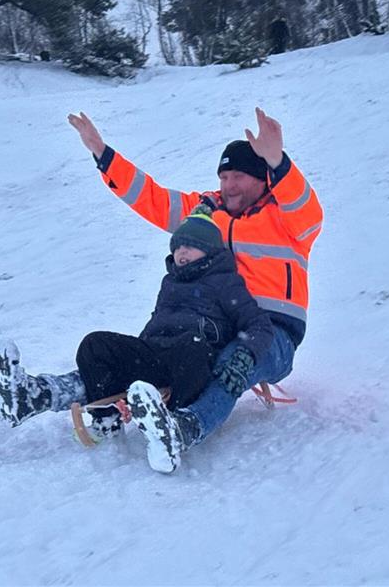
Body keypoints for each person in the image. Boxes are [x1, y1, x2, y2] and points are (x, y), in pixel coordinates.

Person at [67, 107, 323, 469]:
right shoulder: (208, 212)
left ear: (263, 179)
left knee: (235, 363)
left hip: (275, 333)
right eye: (224, 176)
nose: (228, 185)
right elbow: (153, 199)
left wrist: (278, 161)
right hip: (221, 323)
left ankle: (185, 428)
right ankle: (80, 396)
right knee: (162, 355)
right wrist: (102, 154)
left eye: (238, 177)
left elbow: (306, 207)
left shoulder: (287, 218)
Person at [0, 205, 275, 472]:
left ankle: (171, 423)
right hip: (156, 352)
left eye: (191, 247)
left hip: (193, 359)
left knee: (192, 346)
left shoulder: (226, 283)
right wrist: (128, 359)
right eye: (178, 246)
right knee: (95, 344)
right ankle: (107, 416)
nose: (181, 253)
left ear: (210, 251)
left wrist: (245, 354)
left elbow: (260, 324)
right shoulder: (171, 281)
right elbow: (157, 323)